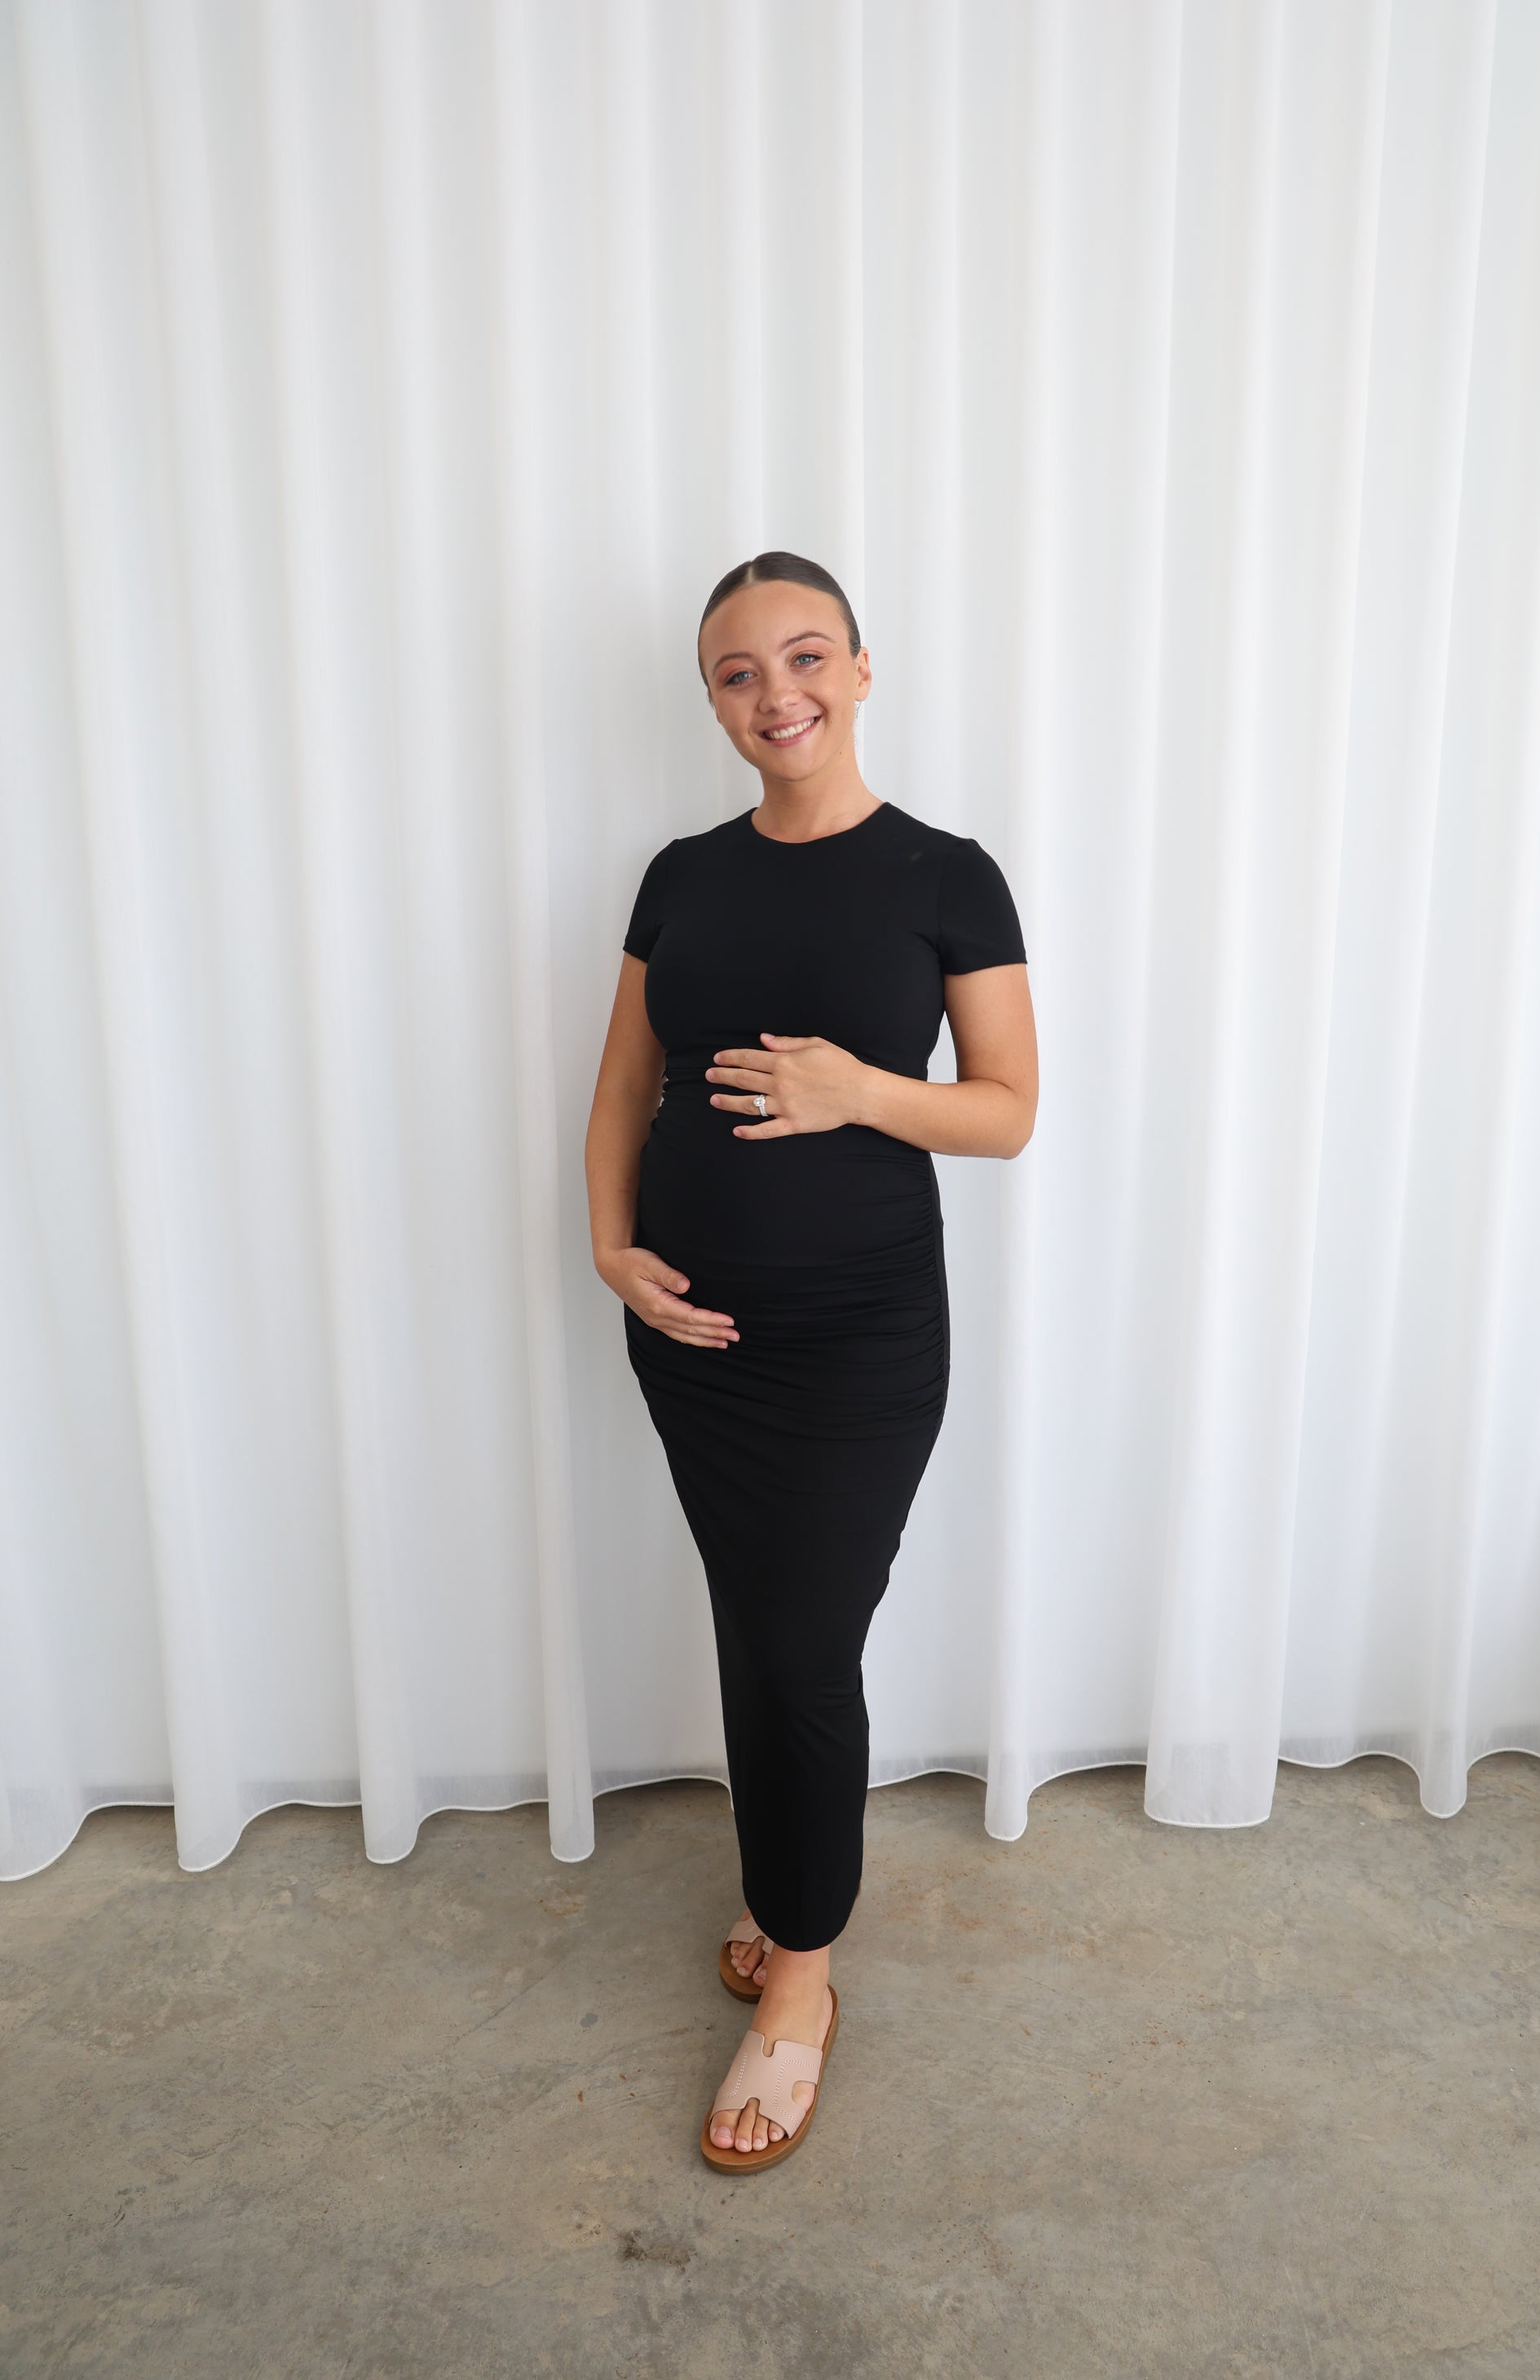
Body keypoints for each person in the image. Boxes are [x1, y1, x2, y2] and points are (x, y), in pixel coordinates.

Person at [584, 551, 1037, 2170]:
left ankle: (801, 1976)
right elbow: (624, 1084)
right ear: (713, 701)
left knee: (800, 1646)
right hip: (694, 1339)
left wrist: (857, 1089)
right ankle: (787, 1889)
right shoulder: (681, 876)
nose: (774, 693)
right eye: (736, 671)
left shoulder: (945, 876)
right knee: (760, 1626)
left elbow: (1004, 1110)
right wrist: (609, 1245)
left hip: (856, 1345)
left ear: (858, 669)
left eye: (803, 656)